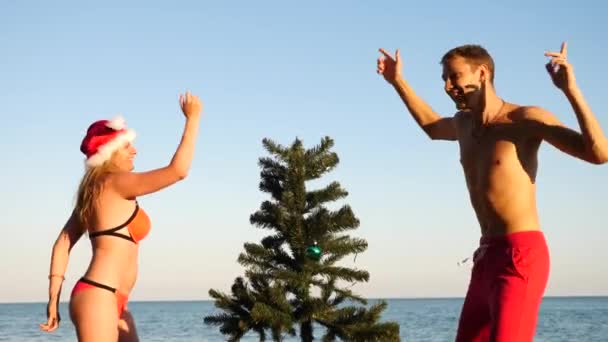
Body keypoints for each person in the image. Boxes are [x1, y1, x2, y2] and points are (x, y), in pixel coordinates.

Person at [377, 42, 608, 341]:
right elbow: (432, 126)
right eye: (445, 79)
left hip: (520, 254)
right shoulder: (463, 125)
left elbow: (599, 153)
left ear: (482, 73)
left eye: (455, 76)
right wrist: (398, 82)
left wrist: (570, 90)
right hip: (486, 256)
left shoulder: (524, 120)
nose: (448, 86)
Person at [39, 91, 203, 341]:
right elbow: (178, 171)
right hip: (99, 297)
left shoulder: (93, 191)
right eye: (127, 145)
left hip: (112, 300)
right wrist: (193, 119)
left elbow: (62, 243)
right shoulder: (115, 182)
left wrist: (53, 300)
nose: (135, 151)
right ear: (111, 152)